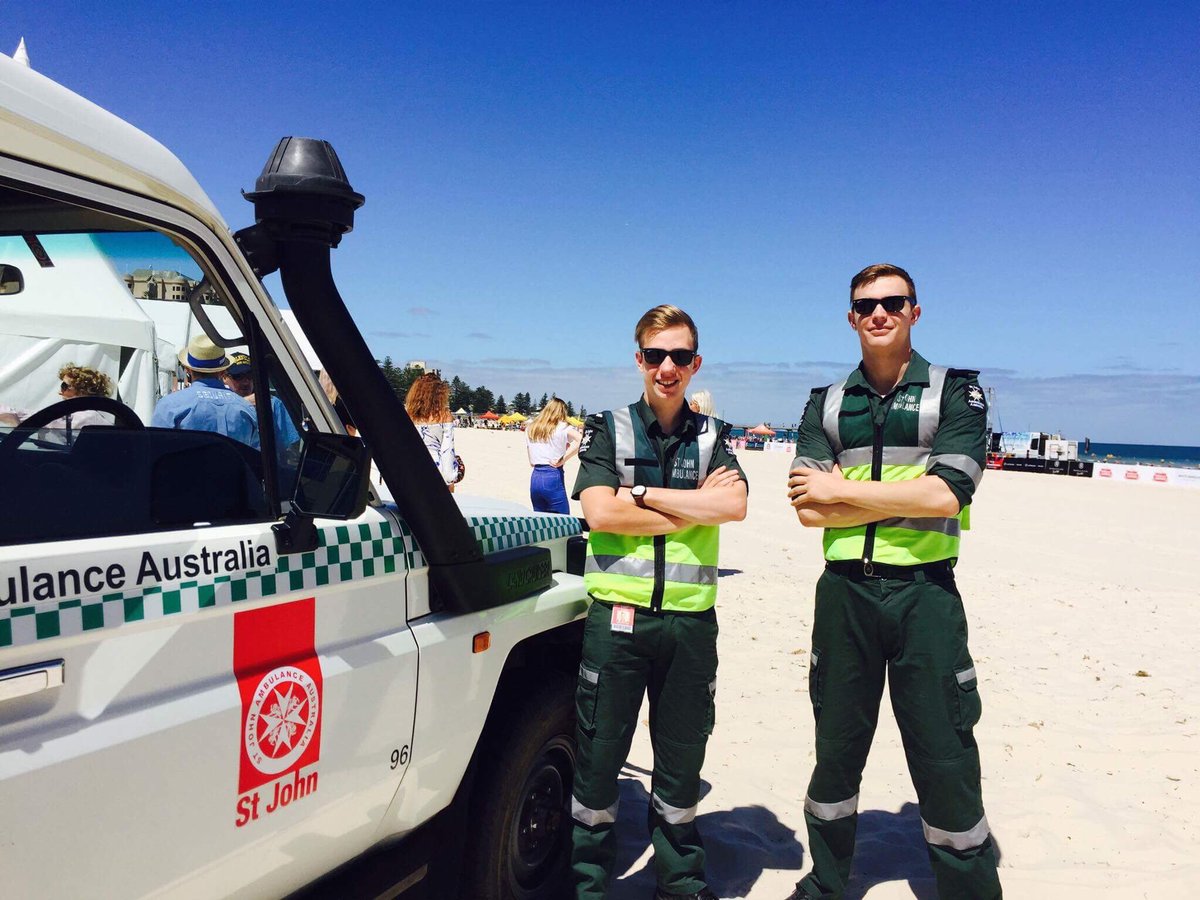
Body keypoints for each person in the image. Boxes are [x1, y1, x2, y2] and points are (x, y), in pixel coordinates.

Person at [785, 264, 1000, 900]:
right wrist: (895, 494)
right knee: (836, 749)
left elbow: (948, 493)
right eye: (865, 305)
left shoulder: (955, 393)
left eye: (893, 302)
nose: (879, 313)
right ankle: (826, 883)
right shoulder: (826, 401)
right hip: (844, 594)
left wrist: (841, 490)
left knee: (945, 753)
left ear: (915, 311)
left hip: (925, 596)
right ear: (851, 317)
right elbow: (807, 510)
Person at [570, 304, 747, 900]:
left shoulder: (714, 435)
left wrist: (642, 494)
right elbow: (600, 512)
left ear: (695, 364)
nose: (666, 368)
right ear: (639, 359)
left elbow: (734, 505)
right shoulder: (607, 428)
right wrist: (692, 504)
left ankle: (680, 882)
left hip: (691, 624)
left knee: (681, 761)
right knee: (598, 760)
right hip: (617, 622)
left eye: (679, 356)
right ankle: (589, 885)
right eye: (655, 355)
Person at [151, 335, 258, 448]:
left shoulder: (170, 405)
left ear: (188, 370)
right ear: (223, 371)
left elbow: (156, 449)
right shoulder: (246, 408)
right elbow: (256, 452)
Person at [222, 352, 302, 462]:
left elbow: (288, 449)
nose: (246, 382)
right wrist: (243, 403)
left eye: (250, 375)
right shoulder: (219, 406)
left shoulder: (272, 403)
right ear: (224, 377)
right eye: (238, 376)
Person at [404, 372, 461, 490]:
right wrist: (450, 481)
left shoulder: (407, 415)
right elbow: (447, 452)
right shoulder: (444, 416)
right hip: (435, 471)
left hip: (410, 470)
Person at [525, 397, 581, 513]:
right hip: (552, 474)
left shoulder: (531, 427)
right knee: (562, 519)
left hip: (535, 476)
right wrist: (563, 459)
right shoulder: (562, 427)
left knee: (540, 519)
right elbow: (581, 440)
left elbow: (531, 460)